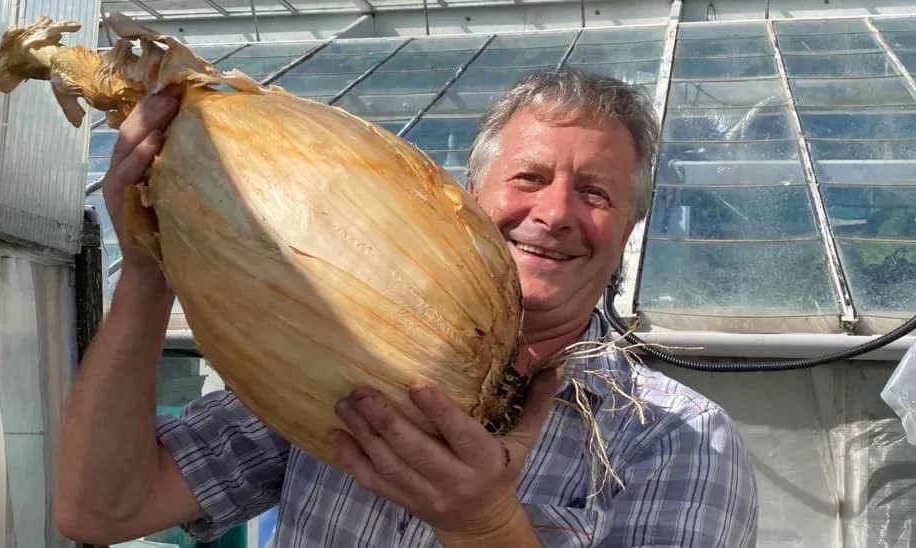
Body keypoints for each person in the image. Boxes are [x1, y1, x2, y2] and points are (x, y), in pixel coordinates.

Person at [55, 68, 759, 547]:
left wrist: (486, 528)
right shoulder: (332, 348)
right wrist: (147, 272)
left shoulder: (681, 441)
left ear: (629, 228)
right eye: (529, 177)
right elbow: (102, 509)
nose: (553, 213)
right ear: (464, 198)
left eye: (595, 194)